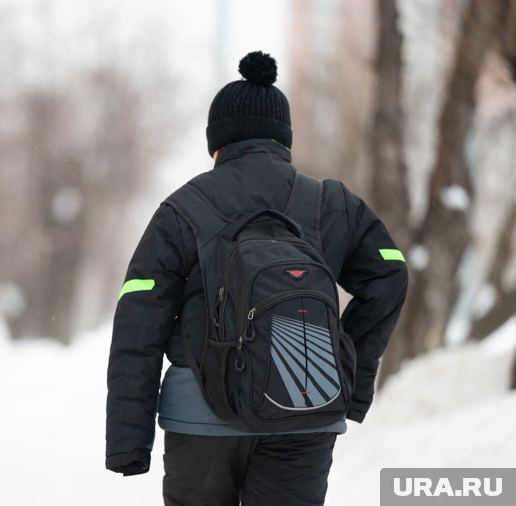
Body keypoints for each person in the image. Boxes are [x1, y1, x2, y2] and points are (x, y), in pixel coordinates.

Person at [105, 52, 409, 505]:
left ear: (217, 144)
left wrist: (129, 441)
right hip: (305, 409)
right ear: (284, 138)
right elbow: (390, 272)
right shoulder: (332, 203)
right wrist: (347, 377)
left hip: (202, 418)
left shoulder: (182, 209)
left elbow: (139, 318)